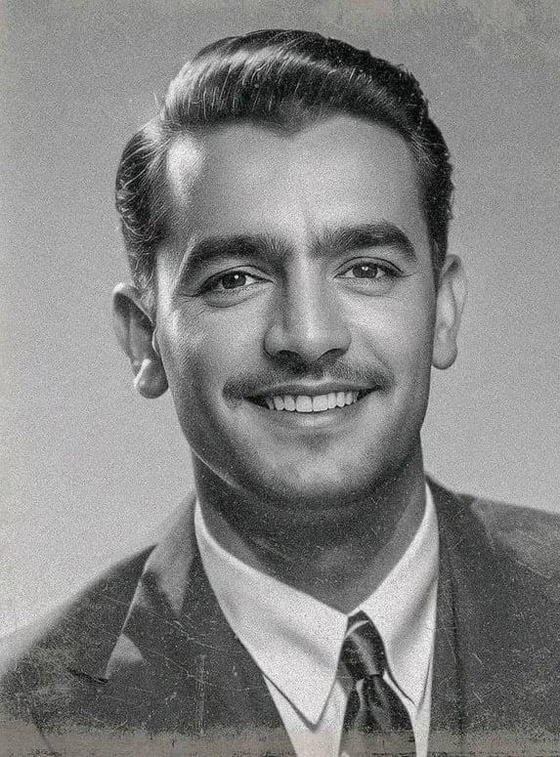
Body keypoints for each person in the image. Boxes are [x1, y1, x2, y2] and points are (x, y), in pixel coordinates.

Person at [1, 29, 559, 757]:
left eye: (366, 268)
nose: (308, 335)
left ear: (444, 311)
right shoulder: (22, 720)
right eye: (235, 279)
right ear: (145, 341)